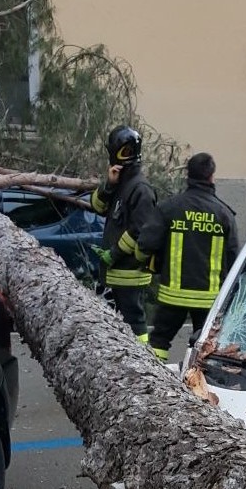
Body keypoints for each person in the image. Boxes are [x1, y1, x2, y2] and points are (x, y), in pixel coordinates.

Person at [122, 152, 239, 363]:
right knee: (206, 346)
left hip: (172, 296)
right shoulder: (224, 214)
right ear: (211, 176)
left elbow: (145, 244)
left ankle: (153, 378)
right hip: (208, 299)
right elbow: (233, 259)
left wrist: (145, 263)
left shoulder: (170, 208)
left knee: (159, 341)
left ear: (188, 176)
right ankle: (197, 379)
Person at [91, 125, 160, 344]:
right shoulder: (120, 183)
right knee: (113, 325)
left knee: (134, 323)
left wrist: (114, 253)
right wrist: (108, 185)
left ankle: (143, 359)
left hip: (130, 273)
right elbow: (97, 206)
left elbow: (139, 230)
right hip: (116, 272)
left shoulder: (141, 189)